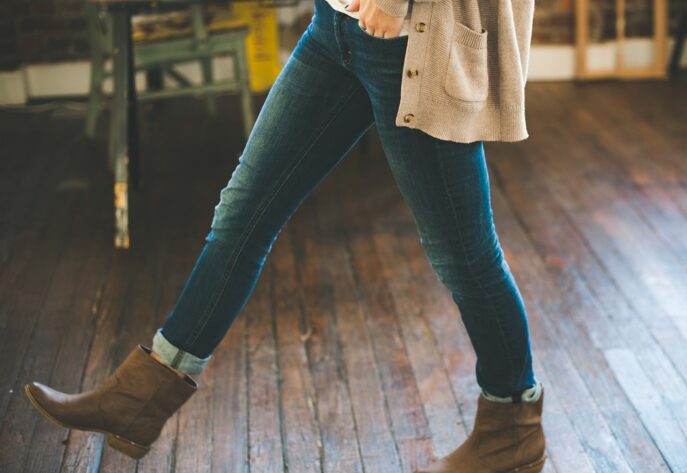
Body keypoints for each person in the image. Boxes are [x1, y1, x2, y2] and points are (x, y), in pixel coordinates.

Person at [25, 0, 545, 471]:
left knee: (464, 257)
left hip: (408, 43)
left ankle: (511, 428)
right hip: (333, 28)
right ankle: (141, 397)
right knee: (242, 213)